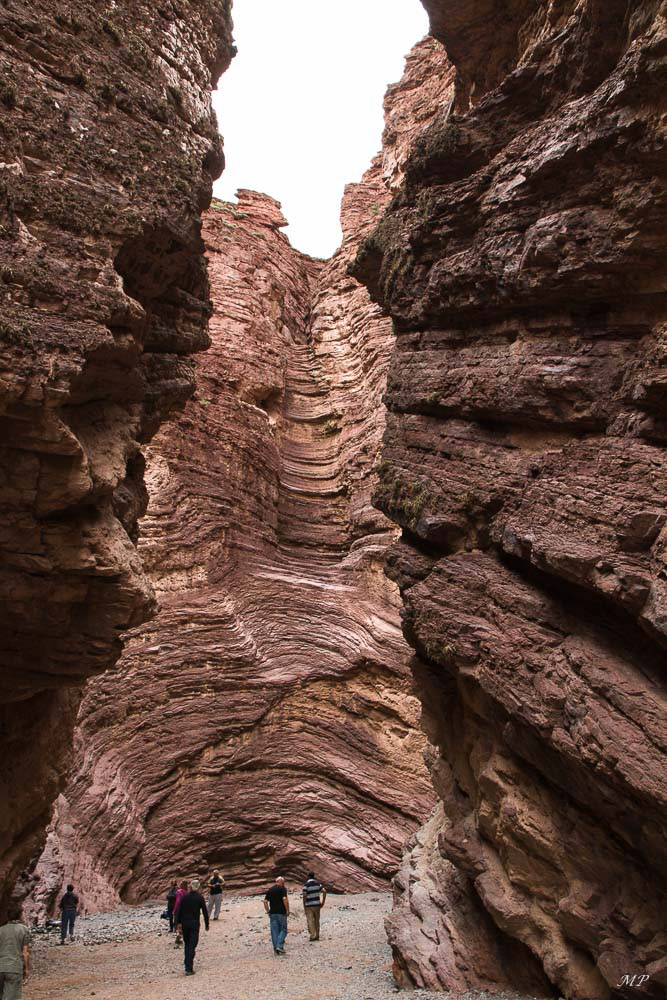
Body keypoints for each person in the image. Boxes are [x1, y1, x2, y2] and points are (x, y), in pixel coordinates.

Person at [175, 879, 209, 976]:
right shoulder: (199, 898)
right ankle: (189, 968)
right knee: (192, 945)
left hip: (185, 924)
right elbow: (205, 912)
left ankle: (187, 965)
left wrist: (178, 924)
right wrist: (207, 924)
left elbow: (179, 911)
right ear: (198, 887)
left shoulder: (185, 897)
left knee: (187, 944)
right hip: (194, 924)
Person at [0, 906, 30, 999]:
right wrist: (26, 969)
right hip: (14, 968)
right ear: (20, 916)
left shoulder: (0, 930)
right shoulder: (24, 930)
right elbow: (25, 953)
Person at [263, 876, 289, 955]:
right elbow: (284, 899)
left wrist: (268, 911)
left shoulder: (270, 890)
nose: (284, 884)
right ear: (281, 881)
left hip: (273, 913)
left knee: (274, 931)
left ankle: (275, 948)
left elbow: (265, 901)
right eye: (283, 883)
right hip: (281, 912)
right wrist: (287, 910)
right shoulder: (282, 889)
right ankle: (279, 945)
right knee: (284, 930)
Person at [302, 871, 327, 941]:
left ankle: (313, 935)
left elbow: (304, 895)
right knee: (316, 920)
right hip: (317, 904)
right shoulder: (318, 884)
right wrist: (323, 902)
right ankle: (317, 935)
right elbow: (324, 891)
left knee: (310, 920)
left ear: (308, 876)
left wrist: (304, 904)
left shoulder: (306, 885)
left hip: (309, 905)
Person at [172, 880, 188, 947]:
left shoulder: (179, 891)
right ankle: (184, 936)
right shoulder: (187, 892)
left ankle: (179, 934)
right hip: (186, 909)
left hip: (179, 909)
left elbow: (178, 901)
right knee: (184, 923)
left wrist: (174, 910)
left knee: (178, 922)